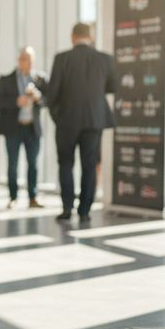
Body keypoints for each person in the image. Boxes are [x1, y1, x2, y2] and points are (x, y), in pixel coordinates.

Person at [45, 22, 116, 223]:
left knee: (65, 163)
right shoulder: (105, 59)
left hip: (66, 120)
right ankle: (84, 211)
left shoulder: (62, 59)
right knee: (90, 165)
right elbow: (112, 87)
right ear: (90, 37)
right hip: (94, 120)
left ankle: (67, 208)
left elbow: (52, 94)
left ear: (72, 37)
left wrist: (57, 116)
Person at [0, 47, 47, 209]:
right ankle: (13, 196)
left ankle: (33, 197)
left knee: (33, 164)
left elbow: (49, 100)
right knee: (13, 164)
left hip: (32, 128)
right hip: (13, 128)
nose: (28, 63)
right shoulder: (6, 79)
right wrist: (16, 102)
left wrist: (38, 99)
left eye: (30, 60)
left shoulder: (40, 79)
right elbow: (0, 101)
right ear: (19, 60)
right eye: (25, 59)